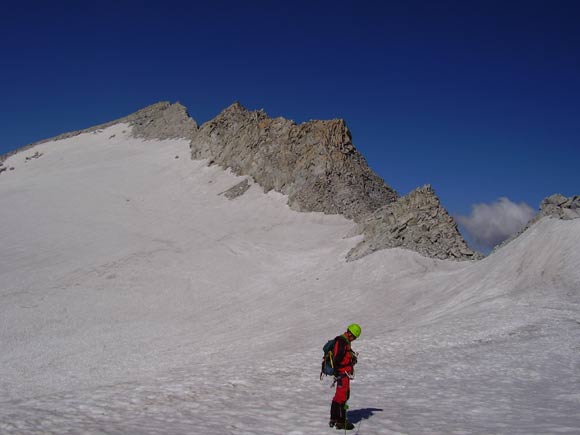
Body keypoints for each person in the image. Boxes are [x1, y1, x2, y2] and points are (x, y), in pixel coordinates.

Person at [329, 323, 361, 430]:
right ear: (352, 335)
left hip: (343, 373)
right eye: (355, 338)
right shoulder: (342, 342)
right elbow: (338, 358)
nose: (354, 340)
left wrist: (351, 359)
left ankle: (334, 418)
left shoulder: (344, 341)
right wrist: (339, 370)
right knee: (342, 397)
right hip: (342, 374)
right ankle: (340, 421)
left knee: (342, 396)